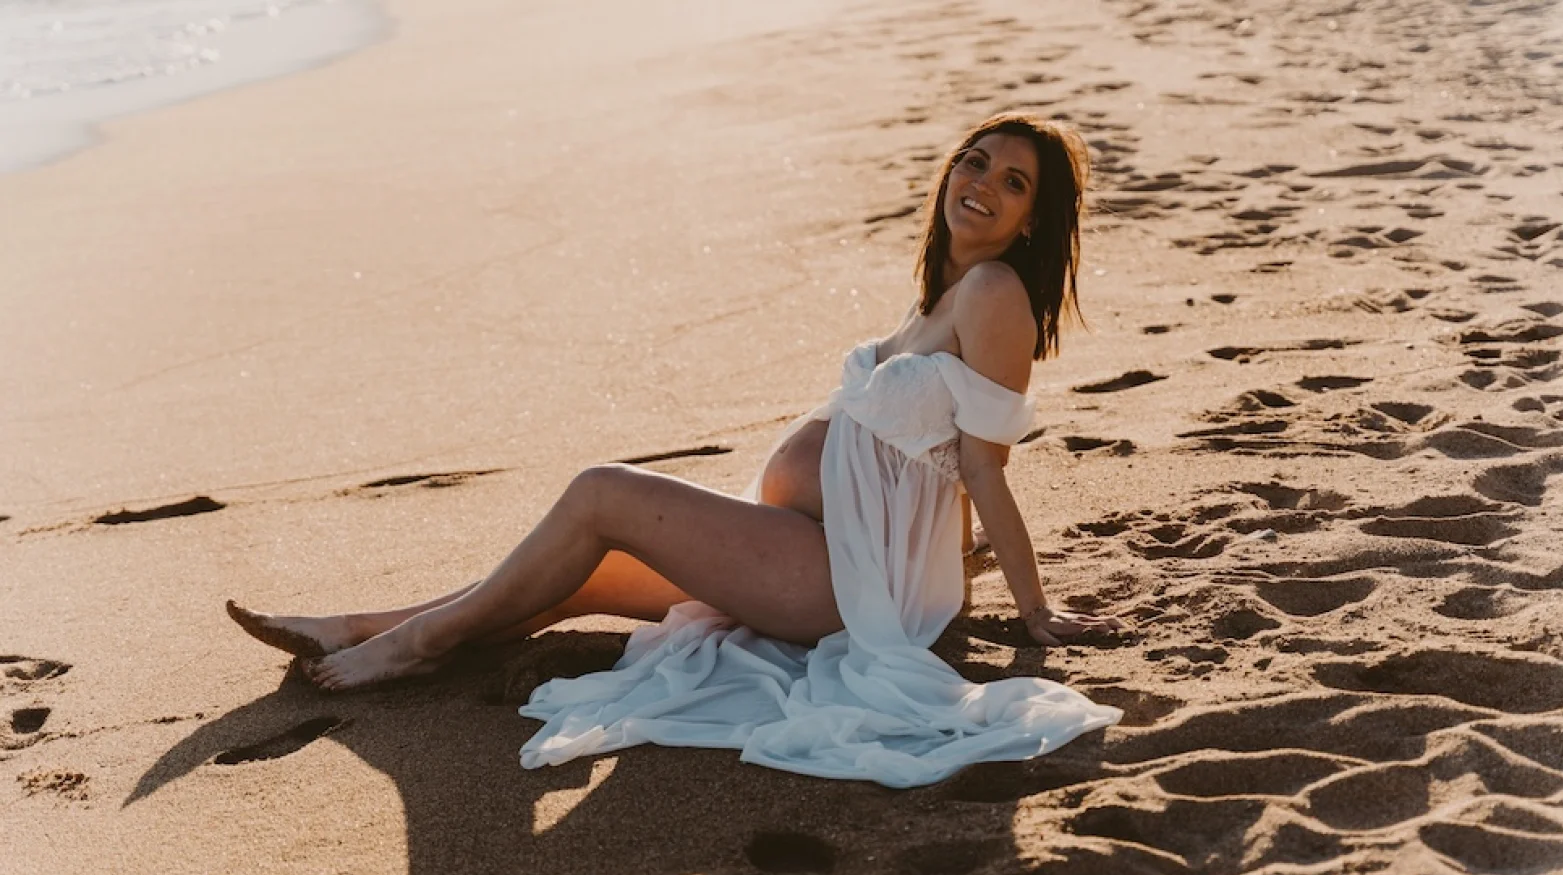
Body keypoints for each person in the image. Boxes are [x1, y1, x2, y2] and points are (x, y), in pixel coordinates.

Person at [228, 112, 1127, 787]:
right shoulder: (942, 290)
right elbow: (928, 467)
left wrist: (1032, 608)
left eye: (1014, 182)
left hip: (840, 581)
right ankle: (358, 627)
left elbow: (981, 467)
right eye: (975, 160)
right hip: (818, 551)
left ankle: (412, 646)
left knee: (599, 495)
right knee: (565, 580)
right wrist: (947, 554)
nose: (982, 181)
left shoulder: (994, 292)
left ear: (1031, 222)